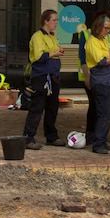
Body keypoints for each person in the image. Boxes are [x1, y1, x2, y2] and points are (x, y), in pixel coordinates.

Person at [22, 9, 67, 150]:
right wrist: (54, 53)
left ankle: (51, 136)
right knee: (37, 107)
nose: (56, 23)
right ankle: (28, 137)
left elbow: (54, 54)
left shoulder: (52, 37)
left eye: (57, 20)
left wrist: (57, 53)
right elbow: (39, 57)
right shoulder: (37, 37)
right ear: (46, 21)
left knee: (52, 107)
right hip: (41, 77)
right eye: (54, 20)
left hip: (53, 77)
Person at [85, 13, 110, 154]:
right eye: (106, 28)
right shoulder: (92, 42)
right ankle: (98, 143)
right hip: (101, 81)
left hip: (109, 81)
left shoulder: (105, 41)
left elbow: (109, 54)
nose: (108, 31)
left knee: (108, 112)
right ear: (98, 27)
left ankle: (102, 140)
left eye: (109, 29)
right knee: (104, 113)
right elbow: (101, 61)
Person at [78, 11, 110, 139]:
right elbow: (83, 57)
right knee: (94, 105)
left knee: (100, 107)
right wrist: (87, 76)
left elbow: (109, 51)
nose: (108, 30)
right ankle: (91, 133)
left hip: (104, 77)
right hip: (91, 75)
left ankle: (97, 134)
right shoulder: (86, 35)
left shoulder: (107, 37)